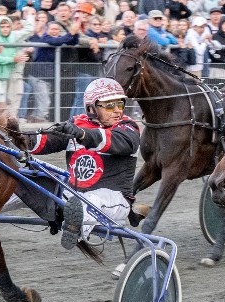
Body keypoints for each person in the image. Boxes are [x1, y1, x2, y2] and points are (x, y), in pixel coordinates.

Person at [27, 78, 142, 269]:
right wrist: (16, 136)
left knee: (88, 201)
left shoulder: (128, 127)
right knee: (25, 179)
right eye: (109, 105)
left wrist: (81, 135)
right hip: (74, 195)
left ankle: (75, 228)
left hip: (114, 199)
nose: (117, 110)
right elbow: (45, 142)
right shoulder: (77, 123)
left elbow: (111, 141)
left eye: (120, 103)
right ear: (91, 107)